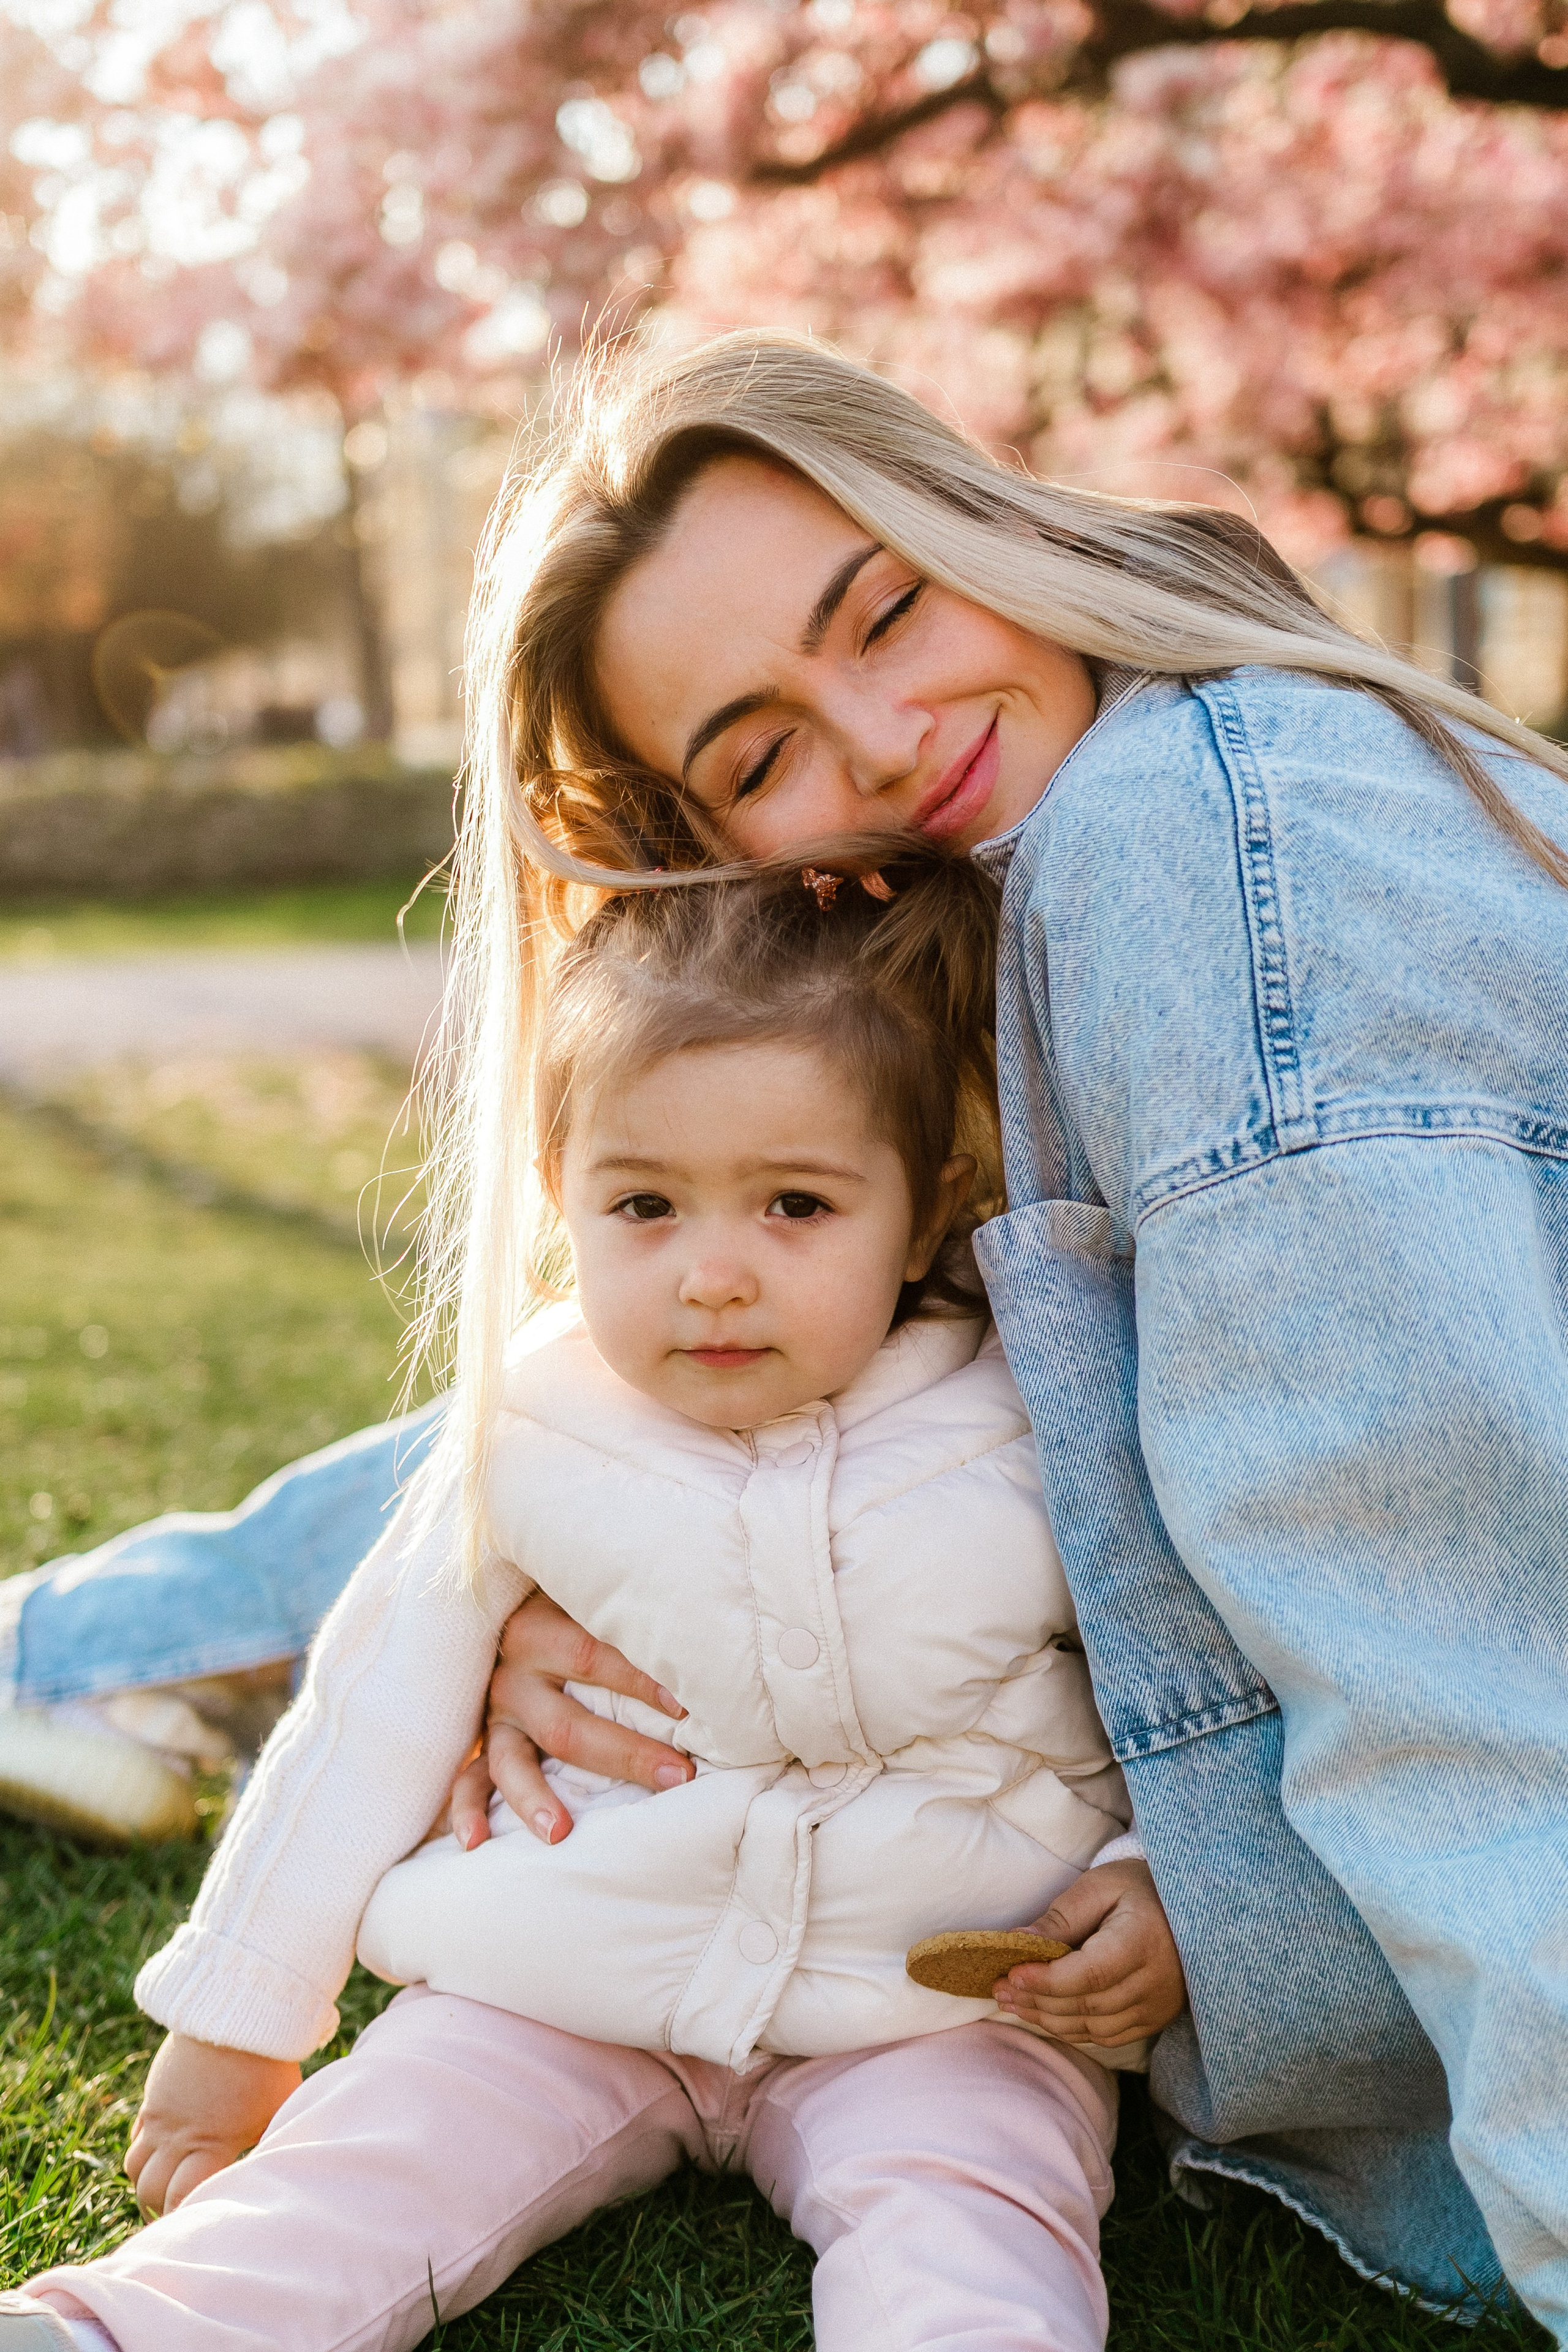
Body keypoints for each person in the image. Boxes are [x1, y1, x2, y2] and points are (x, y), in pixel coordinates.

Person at [6, 325, 1564, 2326]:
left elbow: (1461, 1655)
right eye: (758, 752)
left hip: (947, 2001)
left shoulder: (1190, 842)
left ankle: (63, 1647)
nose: (886, 739)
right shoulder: (1016, 882)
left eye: (888, 612)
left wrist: (1204, 1898)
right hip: (615, 1949)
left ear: (976, 527)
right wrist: (652, 1601)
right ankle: (73, 1649)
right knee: (614, 1416)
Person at [3, 850, 1185, 2352]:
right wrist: (234, 2026)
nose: (712, 1274)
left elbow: (1175, 1685)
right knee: (381, 2158)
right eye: (644, 1204)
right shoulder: (530, 1428)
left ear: (927, 1204)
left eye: (795, 1206)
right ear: (558, 1192)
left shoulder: (1033, 1422)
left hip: (937, 2008)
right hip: (565, 1973)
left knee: (975, 2215)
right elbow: (365, 1716)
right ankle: (125, 2332)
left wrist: (1159, 1880)